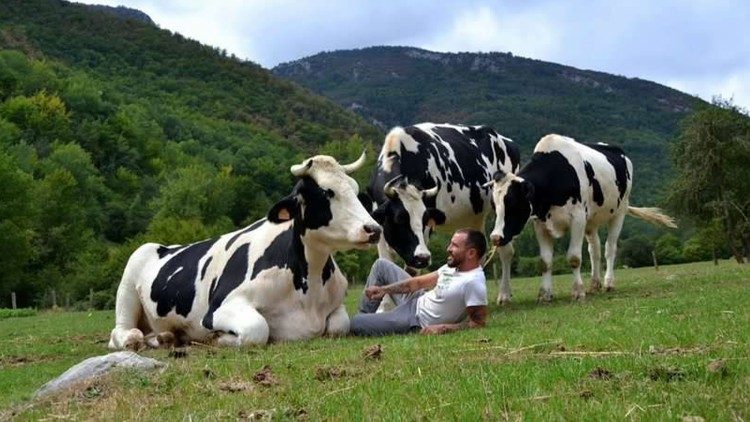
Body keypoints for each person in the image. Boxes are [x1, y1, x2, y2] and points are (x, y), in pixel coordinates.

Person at [350, 228, 488, 336]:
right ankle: (365, 316)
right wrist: (384, 290)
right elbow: (416, 283)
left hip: (414, 319)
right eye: (450, 243)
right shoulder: (452, 267)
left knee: (355, 323)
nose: (448, 249)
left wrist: (444, 328)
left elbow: (478, 323)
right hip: (418, 298)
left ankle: (360, 324)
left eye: (455, 246)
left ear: (471, 253)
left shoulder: (473, 283)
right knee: (381, 265)